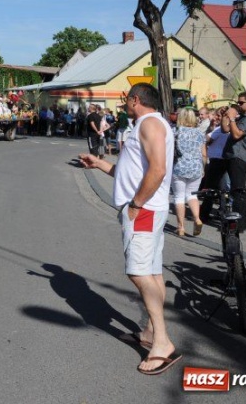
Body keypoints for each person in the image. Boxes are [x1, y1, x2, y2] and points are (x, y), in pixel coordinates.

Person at [79, 83, 181, 375]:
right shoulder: (147, 124)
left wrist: (136, 205)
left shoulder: (149, 123)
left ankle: (161, 343)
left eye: (126, 100)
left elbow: (158, 169)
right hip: (148, 207)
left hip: (144, 209)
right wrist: (100, 164)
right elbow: (132, 171)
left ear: (136, 100)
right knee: (152, 271)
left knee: (138, 272)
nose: (123, 104)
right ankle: (151, 332)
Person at [221, 92, 246, 231]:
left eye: (241, 103)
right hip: (231, 155)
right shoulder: (242, 117)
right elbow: (225, 130)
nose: (239, 105)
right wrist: (225, 117)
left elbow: (236, 134)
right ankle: (234, 219)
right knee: (232, 190)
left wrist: (231, 118)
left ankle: (241, 223)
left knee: (239, 190)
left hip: (240, 157)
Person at [172, 108, 206, 237]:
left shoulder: (175, 131)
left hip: (179, 166)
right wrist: (203, 168)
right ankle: (197, 218)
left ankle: (181, 227)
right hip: (196, 166)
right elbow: (204, 154)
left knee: (179, 197)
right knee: (192, 195)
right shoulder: (199, 133)